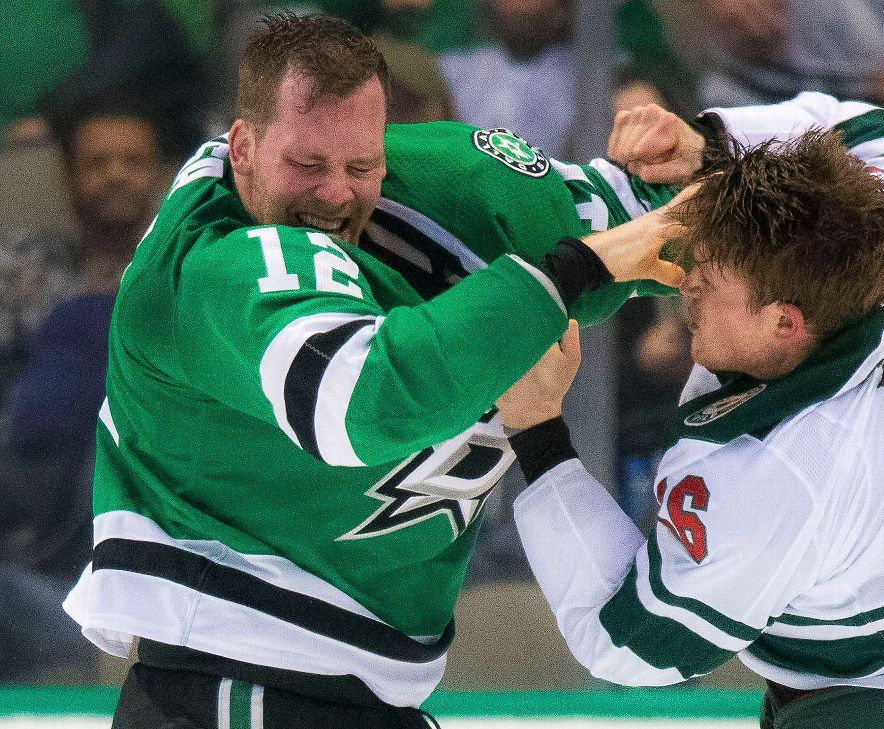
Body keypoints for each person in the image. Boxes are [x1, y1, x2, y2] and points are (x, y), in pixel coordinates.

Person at [61, 13, 688, 728]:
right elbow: (366, 401)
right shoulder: (217, 265)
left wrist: (711, 158)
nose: (334, 194)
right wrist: (577, 270)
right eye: (306, 165)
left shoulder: (445, 186)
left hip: (361, 697)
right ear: (241, 145)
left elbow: (672, 220)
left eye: (360, 165)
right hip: (240, 690)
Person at [499, 130, 884, 726]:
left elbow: (629, 644)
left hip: (876, 710)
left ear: (784, 323)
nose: (684, 284)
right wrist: (711, 147)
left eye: (711, 280)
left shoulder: (778, 473)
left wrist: (538, 431)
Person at [0, 95, 167, 684]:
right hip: (31, 527)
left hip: (159, 523)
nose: (115, 176)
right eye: (97, 163)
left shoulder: (185, 272)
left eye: (132, 161)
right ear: (70, 175)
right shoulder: (19, 268)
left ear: (159, 174)